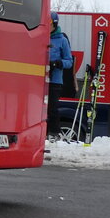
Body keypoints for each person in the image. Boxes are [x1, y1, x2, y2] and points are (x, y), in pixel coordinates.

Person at [46, 11, 73, 140]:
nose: (48, 25)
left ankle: (54, 133)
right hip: (39, 79)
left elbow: (69, 61)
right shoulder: (41, 37)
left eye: (50, 23)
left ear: (55, 24)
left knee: (52, 108)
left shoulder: (62, 40)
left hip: (55, 80)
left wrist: (58, 63)